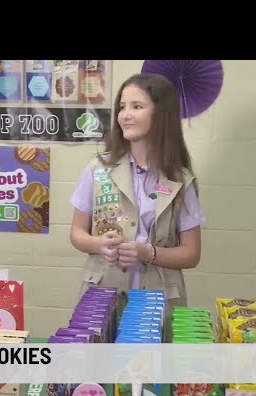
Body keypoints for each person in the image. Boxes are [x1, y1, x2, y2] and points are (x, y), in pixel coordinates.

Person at [69, 73, 205, 338]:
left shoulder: (181, 180)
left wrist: (148, 252)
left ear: (161, 114)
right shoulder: (98, 169)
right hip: (102, 292)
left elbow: (191, 254)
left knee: (152, 373)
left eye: (137, 106)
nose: (125, 115)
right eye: (122, 107)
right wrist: (99, 245)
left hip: (158, 300)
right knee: (98, 369)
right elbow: (76, 234)